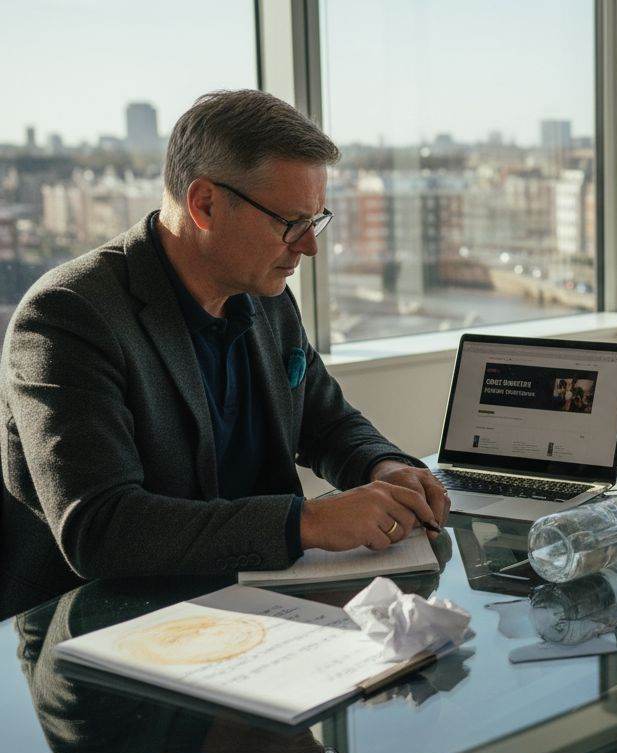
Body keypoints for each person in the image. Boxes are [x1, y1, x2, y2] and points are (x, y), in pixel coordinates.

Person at [0, 90, 448, 617]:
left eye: (315, 220)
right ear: (205, 203)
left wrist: (384, 465)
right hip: (99, 629)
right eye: (291, 222)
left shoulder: (268, 296)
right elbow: (101, 528)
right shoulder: (68, 315)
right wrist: (308, 523)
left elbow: (325, 423)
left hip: (254, 608)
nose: (309, 246)